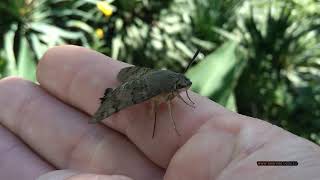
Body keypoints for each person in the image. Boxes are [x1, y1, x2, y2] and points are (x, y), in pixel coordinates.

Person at [0, 45, 319, 180]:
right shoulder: (166, 90)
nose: (185, 91)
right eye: (182, 88)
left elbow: (179, 91)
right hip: (136, 87)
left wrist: (285, 164)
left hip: (137, 79)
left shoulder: (176, 86)